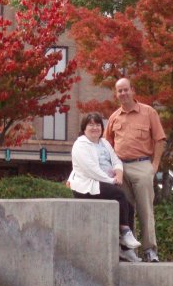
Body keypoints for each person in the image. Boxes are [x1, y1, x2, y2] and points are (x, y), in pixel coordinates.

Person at [104, 78, 166, 262]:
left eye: (125, 90)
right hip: (120, 167)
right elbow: (107, 145)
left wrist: (154, 166)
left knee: (145, 209)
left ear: (133, 90)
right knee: (125, 210)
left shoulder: (149, 112)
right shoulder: (114, 117)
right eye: (119, 91)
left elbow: (160, 139)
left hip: (142, 165)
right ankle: (128, 251)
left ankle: (150, 250)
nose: (123, 93)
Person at [68, 113, 142, 261]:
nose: (95, 128)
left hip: (105, 181)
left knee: (129, 206)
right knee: (119, 195)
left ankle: (125, 250)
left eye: (97, 125)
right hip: (87, 185)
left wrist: (119, 174)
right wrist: (111, 180)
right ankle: (125, 232)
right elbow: (91, 170)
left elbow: (116, 161)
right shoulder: (80, 145)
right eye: (91, 125)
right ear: (84, 128)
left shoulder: (104, 143)